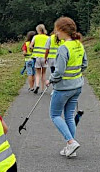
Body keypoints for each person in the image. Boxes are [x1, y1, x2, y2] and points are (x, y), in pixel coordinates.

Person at [46, 17, 88, 158]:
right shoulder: (79, 44)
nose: (56, 34)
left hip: (63, 88)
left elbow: (59, 72)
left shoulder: (63, 48)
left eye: (57, 30)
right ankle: (71, 148)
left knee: (55, 115)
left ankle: (71, 142)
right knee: (69, 116)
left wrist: (50, 80)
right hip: (77, 86)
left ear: (63, 30)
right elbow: (84, 65)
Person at [29, 24, 48, 94]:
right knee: (44, 73)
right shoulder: (47, 38)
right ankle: (43, 89)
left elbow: (30, 46)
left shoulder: (35, 37)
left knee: (38, 73)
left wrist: (34, 49)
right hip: (45, 57)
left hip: (37, 56)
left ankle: (37, 85)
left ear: (38, 30)